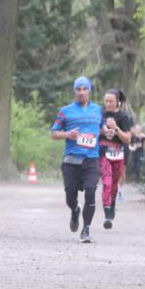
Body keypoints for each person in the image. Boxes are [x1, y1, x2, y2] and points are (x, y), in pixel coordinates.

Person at [51, 77, 104, 243]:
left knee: (90, 192)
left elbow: (101, 128)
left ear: (89, 91)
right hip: (71, 160)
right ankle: (75, 210)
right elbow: (53, 133)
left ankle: (86, 230)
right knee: (70, 197)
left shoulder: (98, 110)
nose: (81, 92)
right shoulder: (65, 111)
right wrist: (67, 134)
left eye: (84, 89)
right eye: (78, 89)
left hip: (92, 159)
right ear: (74, 91)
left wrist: (107, 132)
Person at [98, 89, 132, 229]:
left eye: (111, 101)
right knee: (106, 181)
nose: (108, 104)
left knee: (114, 184)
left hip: (118, 152)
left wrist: (116, 128)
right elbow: (94, 131)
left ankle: (112, 204)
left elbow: (128, 139)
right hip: (103, 151)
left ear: (117, 101)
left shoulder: (124, 117)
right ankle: (107, 215)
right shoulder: (100, 114)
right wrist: (102, 129)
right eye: (106, 101)